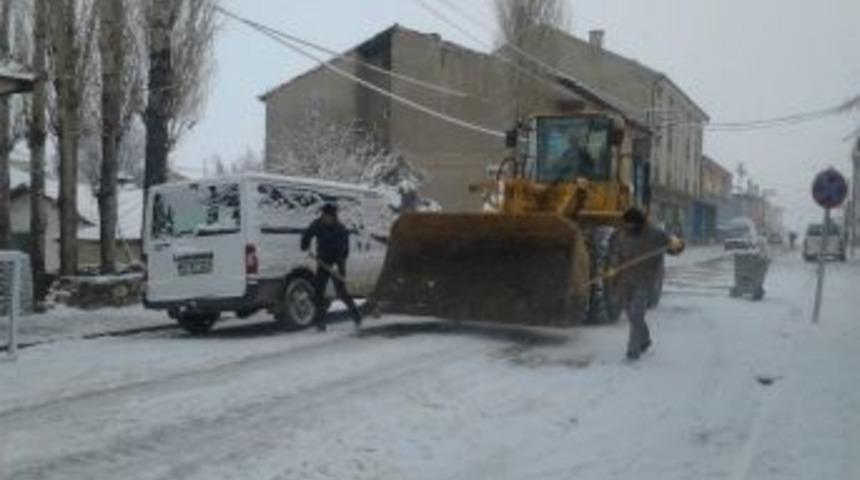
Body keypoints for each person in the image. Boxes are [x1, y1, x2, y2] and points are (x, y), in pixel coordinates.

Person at [615, 207, 685, 361]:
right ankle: (645, 340)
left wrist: (678, 245)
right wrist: (615, 270)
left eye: (630, 224)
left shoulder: (655, 235)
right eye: (626, 224)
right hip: (627, 280)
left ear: (638, 223)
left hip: (645, 280)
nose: (627, 227)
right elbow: (620, 256)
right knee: (632, 315)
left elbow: (674, 247)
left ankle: (633, 351)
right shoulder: (624, 236)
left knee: (636, 313)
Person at [300, 203, 362, 331]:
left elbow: (344, 251)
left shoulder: (341, 229)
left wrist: (337, 267)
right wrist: (304, 244)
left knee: (341, 292)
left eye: (328, 216)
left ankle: (357, 317)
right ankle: (320, 323)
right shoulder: (317, 224)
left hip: (338, 262)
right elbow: (307, 235)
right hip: (322, 260)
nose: (325, 218)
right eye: (324, 215)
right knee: (319, 291)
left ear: (334, 217)